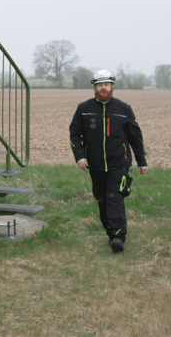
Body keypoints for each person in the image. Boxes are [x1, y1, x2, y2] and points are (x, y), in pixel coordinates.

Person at [69, 69, 148, 253]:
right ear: (95, 88)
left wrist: (141, 161)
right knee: (102, 199)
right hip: (95, 165)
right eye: (100, 85)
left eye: (107, 84)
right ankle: (111, 234)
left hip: (119, 163)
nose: (103, 88)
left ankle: (119, 236)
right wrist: (80, 156)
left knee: (115, 198)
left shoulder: (124, 109)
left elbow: (135, 137)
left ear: (112, 86)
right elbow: (74, 133)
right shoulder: (84, 109)